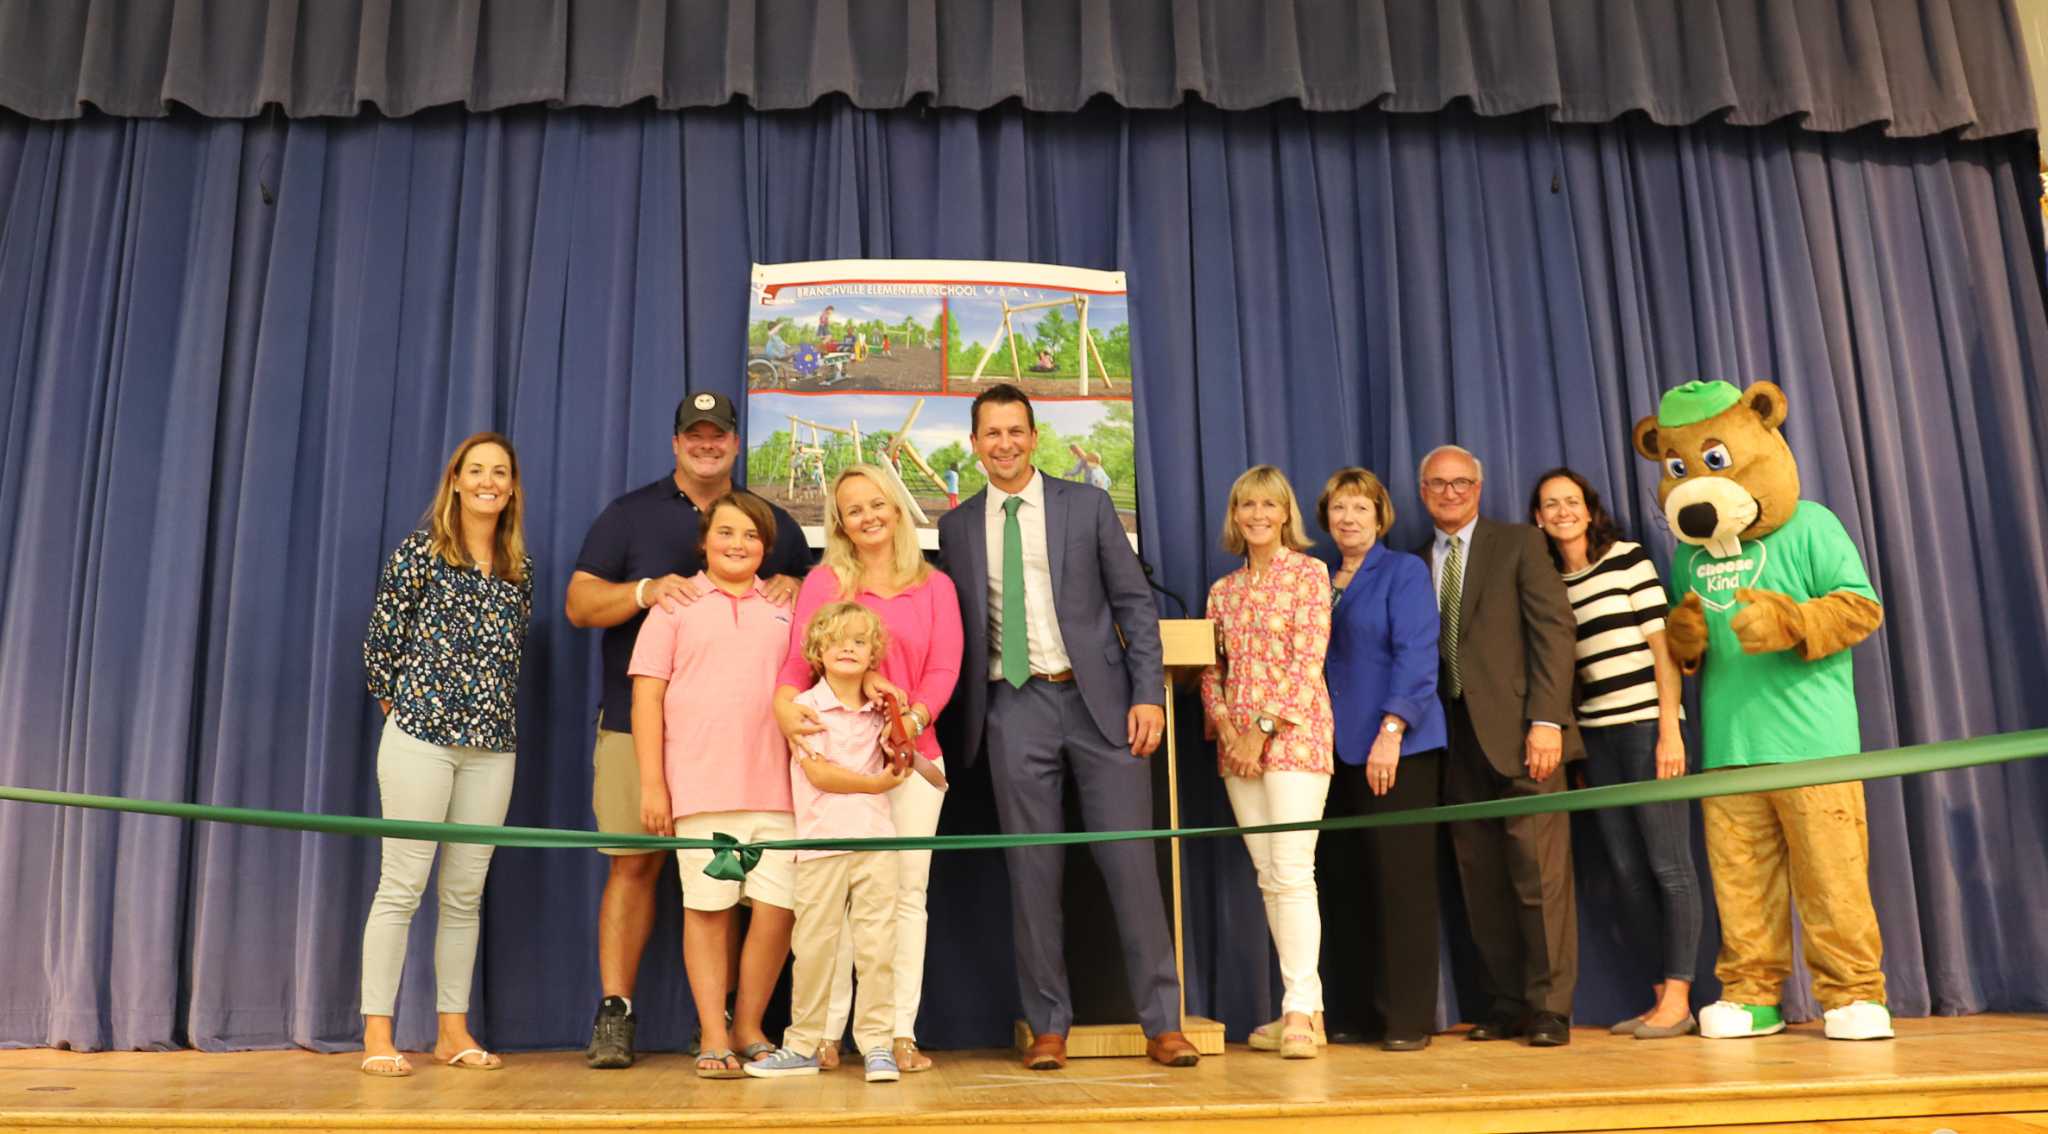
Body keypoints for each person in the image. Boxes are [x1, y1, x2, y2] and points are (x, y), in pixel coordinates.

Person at [935, 383, 1196, 1071]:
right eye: (991, 433)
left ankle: (1163, 1024)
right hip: (1010, 708)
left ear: (1035, 435)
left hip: (1101, 705)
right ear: (974, 443)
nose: (1005, 444)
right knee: (1032, 874)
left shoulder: (1086, 504)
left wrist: (1148, 696)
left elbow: (1135, 606)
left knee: (1131, 867)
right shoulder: (957, 526)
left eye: (1016, 431)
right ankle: (1048, 1025)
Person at [565, 392, 810, 1069]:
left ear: (735, 444)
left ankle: (737, 1021)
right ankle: (617, 1010)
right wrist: (644, 591)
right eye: (694, 435)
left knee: (755, 898)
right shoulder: (629, 514)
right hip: (637, 728)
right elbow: (580, 603)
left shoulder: (774, 522)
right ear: (676, 442)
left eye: (719, 435)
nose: (707, 445)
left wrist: (793, 580)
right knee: (635, 865)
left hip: (758, 759)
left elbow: (811, 597)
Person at [771, 464, 962, 1073]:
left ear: (897, 508)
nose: (868, 516)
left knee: (905, 896)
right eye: (854, 509)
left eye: (877, 503)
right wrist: (780, 704)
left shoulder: (936, 586)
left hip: (912, 760)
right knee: (835, 903)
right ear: (840, 522)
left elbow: (943, 670)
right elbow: (797, 665)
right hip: (840, 760)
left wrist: (913, 718)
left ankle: (895, 1032)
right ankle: (826, 1034)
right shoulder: (826, 581)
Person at [358, 431, 535, 1076]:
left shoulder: (519, 568)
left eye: (501, 472)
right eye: (476, 470)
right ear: (456, 480)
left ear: (512, 487)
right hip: (421, 742)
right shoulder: (420, 555)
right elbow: (381, 648)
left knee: (465, 893)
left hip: (492, 750)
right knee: (402, 886)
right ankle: (378, 1034)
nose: (489, 481)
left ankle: (451, 1031)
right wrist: (413, 715)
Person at [628, 491, 799, 1079]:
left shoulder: (785, 606)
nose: (737, 544)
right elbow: (646, 695)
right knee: (708, 910)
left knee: (777, 910)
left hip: (779, 790)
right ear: (705, 540)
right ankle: (713, 1031)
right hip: (700, 789)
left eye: (751, 535)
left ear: (766, 548)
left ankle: (750, 1026)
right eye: (726, 532)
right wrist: (654, 785)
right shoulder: (675, 605)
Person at [1415, 444, 1578, 1047]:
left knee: (1540, 876)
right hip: (1450, 740)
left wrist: (1547, 721)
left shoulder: (1518, 544)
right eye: (1437, 484)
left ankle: (1549, 1008)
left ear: (1479, 488)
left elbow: (1554, 633)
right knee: (1478, 878)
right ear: (1422, 490)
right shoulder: (1414, 559)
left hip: (1522, 734)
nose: (1449, 493)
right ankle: (1507, 1003)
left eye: (1460, 483)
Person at [1529, 467, 1700, 1039]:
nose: (1561, 511)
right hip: (1596, 737)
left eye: (1570, 501)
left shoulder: (1626, 558)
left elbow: (1663, 649)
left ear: (1588, 507)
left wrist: (1669, 730)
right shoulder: (1548, 581)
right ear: (1538, 517)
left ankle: (1681, 997)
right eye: (1550, 504)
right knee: (1627, 872)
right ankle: (1658, 1000)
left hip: (1646, 727)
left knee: (1668, 865)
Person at [1199, 466, 1335, 1060]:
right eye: (1246, 505)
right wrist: (1230, 728)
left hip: (1296, 740)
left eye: (1268, 505)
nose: (1257, 515)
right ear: (1235, 516)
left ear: (1286, 514)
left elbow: (1309, 661)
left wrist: (1260, 729)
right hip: (1239, 750)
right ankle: (1305, 1007)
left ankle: (1300, 1010)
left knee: (1293, 872)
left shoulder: (1310, 575)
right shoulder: (1222, 591)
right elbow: (1211, 669)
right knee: (1268, 878)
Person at [747, 603, 912, 1083]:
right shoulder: (806, 710)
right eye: (838, 640)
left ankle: (877, 1044)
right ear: (817, 651)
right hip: (821, 845)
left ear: (873, 656)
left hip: (877, 844)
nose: (848, 648)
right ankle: (801, 1044)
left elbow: (901, 758)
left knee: (878, 946)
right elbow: (819, 773)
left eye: (860, 642)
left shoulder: (881, 709)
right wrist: (877, 785)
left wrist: (897, 717)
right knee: (816, 946)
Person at [1315, 467, 1447, 1052]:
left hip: (1397, 749)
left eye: (1360, 509)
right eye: (1340, 509)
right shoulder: (1314, 576)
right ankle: (1350, 1012)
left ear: (1379, 517)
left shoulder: (1403, 571)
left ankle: (1406, 1020)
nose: (1349, 519)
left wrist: (1391, 730)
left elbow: (1418, 655)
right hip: (1329, 752)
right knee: (1343, 884)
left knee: (1401, 886)